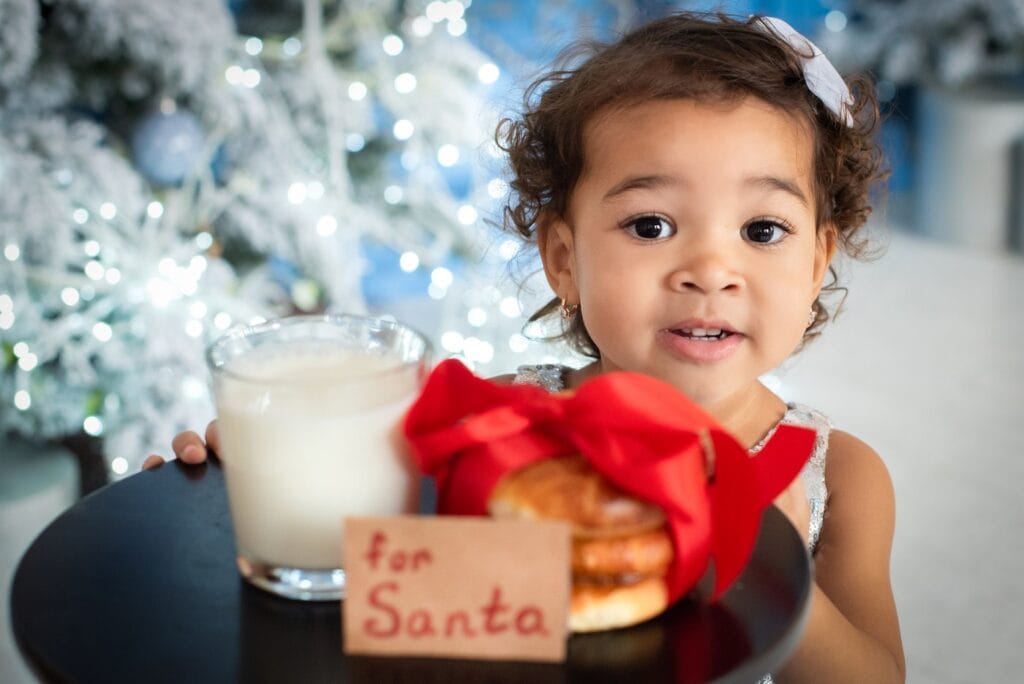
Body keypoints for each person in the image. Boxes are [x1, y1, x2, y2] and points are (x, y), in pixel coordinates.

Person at [146, 12, 904, 682]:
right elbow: (379, 583)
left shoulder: (839, 474)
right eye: (650, 225)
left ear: (815, 261)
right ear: (565, 261)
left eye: (762, 230)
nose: (711, 271)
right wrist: (255, 488)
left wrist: (760, 559)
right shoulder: (509, 422)